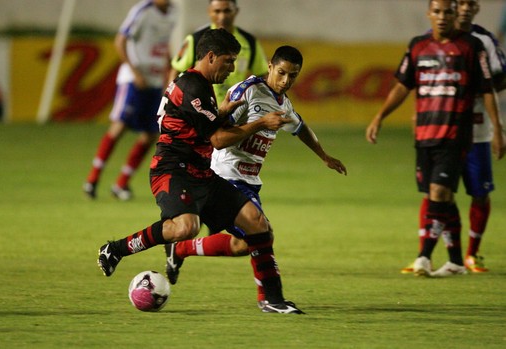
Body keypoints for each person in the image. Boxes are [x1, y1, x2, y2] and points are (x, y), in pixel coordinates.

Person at [97, 29, 303, 314]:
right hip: (172, 170)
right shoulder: (193, 86)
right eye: (228, 62)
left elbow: (196, 123)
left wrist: (219, 113)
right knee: (186, 227)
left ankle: (272, 299)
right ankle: (115, 249)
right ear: (210, 56)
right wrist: (259, 123)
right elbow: (217, 139)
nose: (232, 69)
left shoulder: (198, 85)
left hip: (200, 172)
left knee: (256, 223)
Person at [163, 46, 347, 308]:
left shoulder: (283, 103)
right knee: (262, 231)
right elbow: (219, 136)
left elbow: (300, 126)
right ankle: (270, 299)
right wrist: (259, 124)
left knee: (242, 244)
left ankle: (179, 249)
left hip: (249, 180)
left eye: (292, 76)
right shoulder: (249, 91)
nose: (285, 81)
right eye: (281, 73)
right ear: (270, 65)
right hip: (225, 174)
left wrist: (324, 156)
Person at [366, 0, 504, 277]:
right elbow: (402, 86)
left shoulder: (474, 45)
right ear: (429, 13)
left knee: (448, 193)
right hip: (425, 134)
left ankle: (426, 256)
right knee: (438, 196)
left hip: (458, 133)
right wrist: (379, 117)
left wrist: (497, 129)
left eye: (449, 11)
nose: (443, 17)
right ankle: (454, 261)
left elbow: (489, 87)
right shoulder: (418, 45)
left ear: (457, 14)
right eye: (437, 11)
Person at [83, 0, 176, 201]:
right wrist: (135, 72)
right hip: (133, 80)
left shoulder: (173, 13)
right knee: (119, 126)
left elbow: (163, 44)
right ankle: (92, 180)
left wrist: (168, 70)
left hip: (155, 81)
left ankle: (121, 183)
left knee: (151, 133)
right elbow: (120, 40)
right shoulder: (143, 10)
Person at [169, 0, 268, 105]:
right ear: (209, 11)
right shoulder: (196, 39)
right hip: (201, 107)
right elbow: (176, 71)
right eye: (217, 11)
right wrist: (171, 102)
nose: (222, 17)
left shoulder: (249, 42)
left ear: (236, 11)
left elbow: (262, 74)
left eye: (227, 11)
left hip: (236, 107)